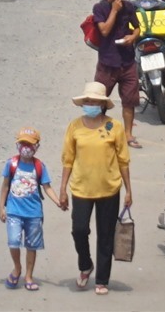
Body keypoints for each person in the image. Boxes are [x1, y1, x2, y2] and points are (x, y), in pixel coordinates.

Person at [59, 83, 132, 295]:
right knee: (79, 230)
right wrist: (63, 189)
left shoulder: (114, 127)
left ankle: (102, 280)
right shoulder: (74, 127)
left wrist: (128, 190)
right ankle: (85, 265)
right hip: (81, 189)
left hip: (109, 189)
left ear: (102, 105)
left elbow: (123, 160)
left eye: (94, 101)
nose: (90, 104)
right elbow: (68, 159)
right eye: (87, 101)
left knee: (106, 235)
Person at [0, 127, 55, 291]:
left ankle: (29, 276)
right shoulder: (12, 164)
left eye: (29, 144)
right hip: (14, 212)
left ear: (36, 146)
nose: (26, 147)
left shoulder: (39, 166)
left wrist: (59, 201)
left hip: (34, 214)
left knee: (32, 246)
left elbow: (47, 187)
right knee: (14, 241)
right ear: (17, 144)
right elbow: (5, 186)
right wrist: (1, 208)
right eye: (22, 143)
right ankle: (17, 268)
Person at [90, 0, 142, 149]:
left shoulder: (129, 7)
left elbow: (137, 28)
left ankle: (128, 134)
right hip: (108, 62)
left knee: (129, 100)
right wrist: (114, 10)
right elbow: (104, 30)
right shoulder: (100, 8)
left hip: (127, 61)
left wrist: (133, 37)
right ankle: (97, 131)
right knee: (100, 99)